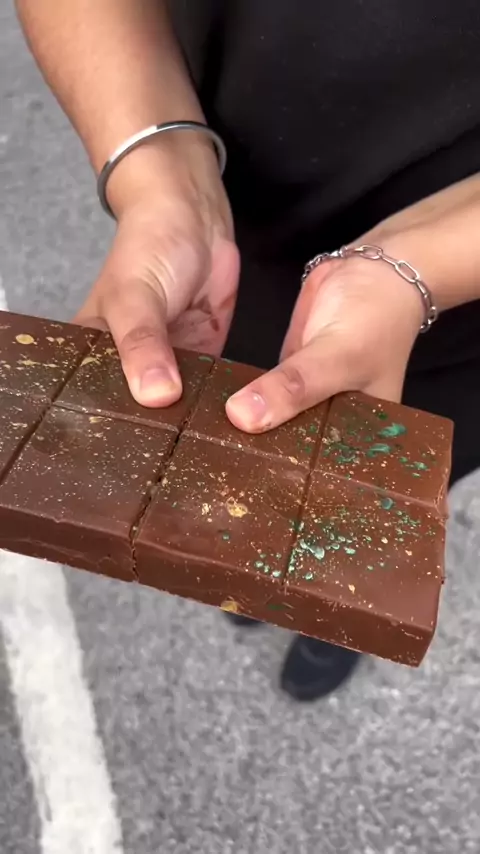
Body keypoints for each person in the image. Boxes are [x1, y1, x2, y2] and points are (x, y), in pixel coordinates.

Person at [16, 0, 480, 702]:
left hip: (456, 314)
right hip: (229, 241)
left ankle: (331, 615)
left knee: (368, 511)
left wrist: (420, 266)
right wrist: (162, 179)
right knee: (236, 473)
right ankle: (257, 575)